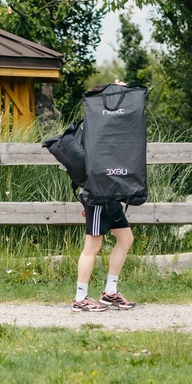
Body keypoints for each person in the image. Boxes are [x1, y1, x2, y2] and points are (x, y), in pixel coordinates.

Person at [72, 80, 137, 313]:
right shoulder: (96, 123)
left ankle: (109, 293)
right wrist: (87, 200)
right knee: (92, 246)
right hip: (98, 194)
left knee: (126, 239)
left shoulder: (110, 124)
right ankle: (80, 299)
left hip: (109, 194)